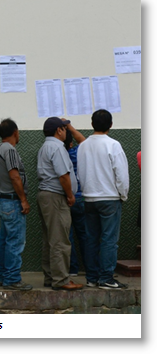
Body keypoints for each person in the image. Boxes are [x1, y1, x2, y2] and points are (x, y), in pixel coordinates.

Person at [77, 109, 129, 290]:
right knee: (109, 239)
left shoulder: (83, 145)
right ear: (111, 125)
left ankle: (92, 278)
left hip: (89, 198)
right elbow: (121, 174)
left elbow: (80, 172)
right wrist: (123, 194)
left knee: (91, 238)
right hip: (109, 198)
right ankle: (106, 277)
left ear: (92, 124)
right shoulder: (113, 145)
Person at [36, 117, 83, 291]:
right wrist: (70, 195)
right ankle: (61, 279)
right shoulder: (57, 147)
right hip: (56, 196)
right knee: (60, 240)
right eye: (65, 129)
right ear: (59, 130)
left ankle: (51, 277)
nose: (66, 132)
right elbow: (63, 175)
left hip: (46, 195)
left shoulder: (45, 146)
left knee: (50, 239)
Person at [0, 119, 33, 291]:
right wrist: (23, 199)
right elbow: (14, 176)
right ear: (15, 132)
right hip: (12, 201)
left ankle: (1, 276)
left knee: (5, 241)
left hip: (4, 200)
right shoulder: (9, 150)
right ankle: (12, 278)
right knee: (15, 242)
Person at [61, 120, 88, 277]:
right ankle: (90, 266)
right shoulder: (77, 153)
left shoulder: (57, 154)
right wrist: (69, 126)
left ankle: (72, 269)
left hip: (64, 199)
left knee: (67, 236)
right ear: (71, 143)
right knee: (85, 234)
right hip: (80, 198)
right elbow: (83, 141)